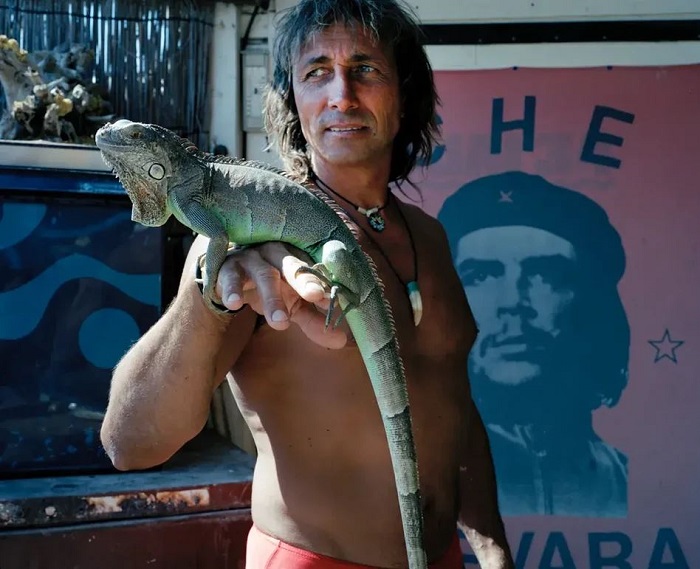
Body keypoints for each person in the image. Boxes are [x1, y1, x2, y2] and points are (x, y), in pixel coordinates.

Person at [100, 0, 514, 567]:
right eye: (317, 72)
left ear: (405, 94)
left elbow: (453, 406)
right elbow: (129, 445)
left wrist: (490, 544)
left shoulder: (430, 236)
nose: (342, 95)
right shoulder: (248, 235)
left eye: (365, 68)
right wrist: (207, 296)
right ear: (292, 98)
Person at [437, 171, 630, 517]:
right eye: (481, 276)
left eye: (546, 275)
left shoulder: (628, 485)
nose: (513, 301)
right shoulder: (415, 483)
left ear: (588, 305)